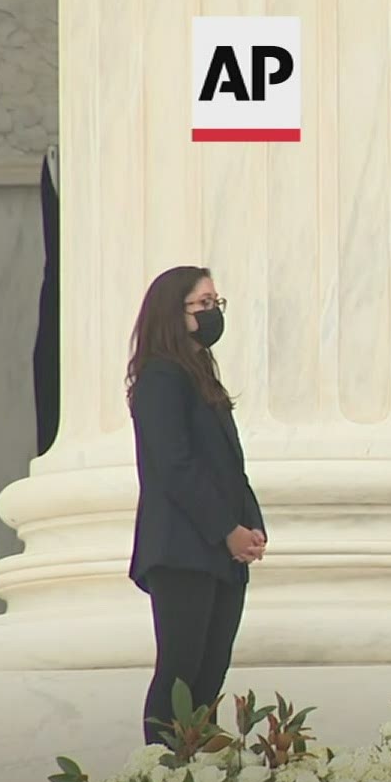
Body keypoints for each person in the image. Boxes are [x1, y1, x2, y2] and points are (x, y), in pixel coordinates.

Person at [126, 266, 266, 743]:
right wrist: (226, 529)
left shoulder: (199, 374)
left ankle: (195, 775)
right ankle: (161, 777)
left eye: (215, 304)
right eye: (201, 305)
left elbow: (229, 464)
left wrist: (250, 525)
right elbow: (175, 465)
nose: (212, 313)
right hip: (183, 547)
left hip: (218, 548)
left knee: (209, 674)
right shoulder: (160, 378)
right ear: (173, 312)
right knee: (180, 674)